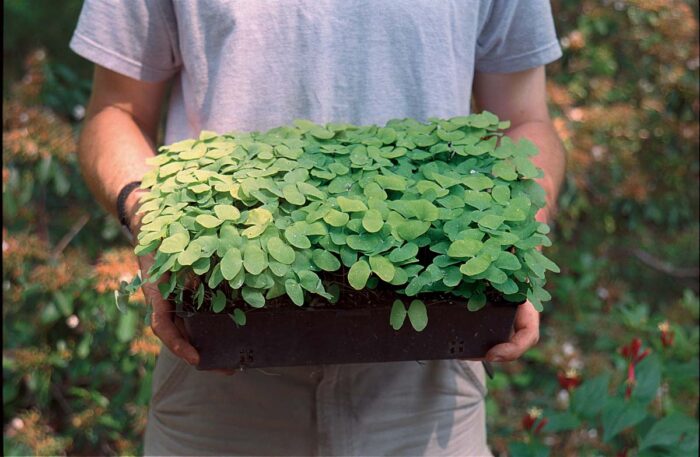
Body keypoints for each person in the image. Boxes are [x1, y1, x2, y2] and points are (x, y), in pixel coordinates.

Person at [71, 1, 566, 455]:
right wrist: (151, 218)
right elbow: (116, 109)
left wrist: (519, 235)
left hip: (430, 390)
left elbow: (524, 118)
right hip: (217, 380)